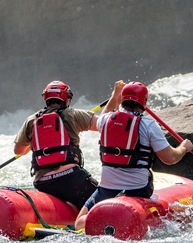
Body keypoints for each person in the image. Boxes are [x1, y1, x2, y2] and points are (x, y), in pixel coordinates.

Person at [73, 81, 193, 230]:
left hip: (107, 188)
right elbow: (170, 158)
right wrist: (183, 148)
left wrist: (114, 96)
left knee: (79, 222)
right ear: (144, 102)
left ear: (123, 101)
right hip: (138, 188)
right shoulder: (148, 125)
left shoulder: (105, 120)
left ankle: (100, 220)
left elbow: (102, 116)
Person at [13, 80, 118, 209]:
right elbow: (105, 124)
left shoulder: (31, 120)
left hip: (43, 183)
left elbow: (19, 151)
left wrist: (38, 141)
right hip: (71, 179)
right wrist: (115, 96)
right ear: (66, 98)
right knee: (107, 202)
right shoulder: (73, 115)